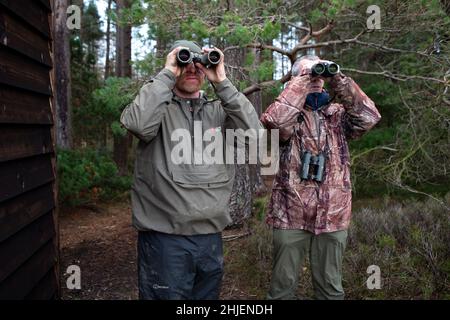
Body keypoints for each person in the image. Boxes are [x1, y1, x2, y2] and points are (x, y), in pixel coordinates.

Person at [120, 40, 261, 300]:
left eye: (200, 64)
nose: (193, 69)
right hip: (166, 240)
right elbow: (137, 124)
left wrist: (222, 83)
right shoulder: (159, 110)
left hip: (210, 239)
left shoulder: (219, 111)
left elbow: (256, 140)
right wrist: (166, 75)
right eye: (185, 63)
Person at [260, 55, 381, 300]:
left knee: (330, 289)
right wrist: (302, 81)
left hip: (332, 214)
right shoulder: (289, 117)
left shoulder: (338, 114)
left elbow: (368, 117)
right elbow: (274, 121)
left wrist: (338, 80)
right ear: (295, 79)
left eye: (318, 74)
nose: (315, 78)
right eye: (308, 73)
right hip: (290, 213)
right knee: (282, 289)